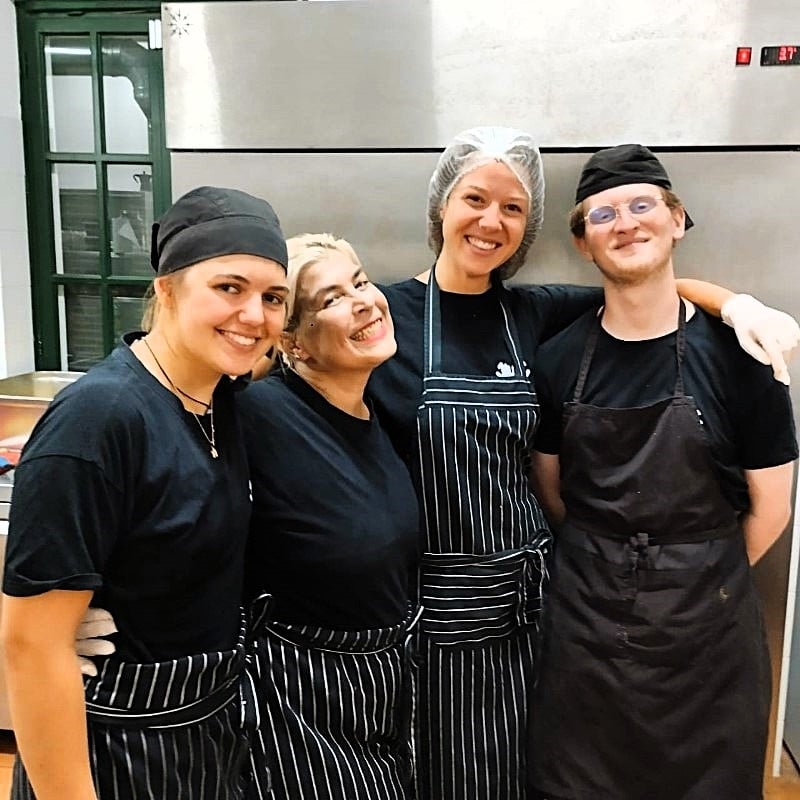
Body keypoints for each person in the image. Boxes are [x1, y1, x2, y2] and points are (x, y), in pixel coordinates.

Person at [366, 126, 800, 799]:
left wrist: (738, 304)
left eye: (513, 208)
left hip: (578, 615)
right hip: (481, 616)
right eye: (474, 198)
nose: (491, 221)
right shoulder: (390, 316)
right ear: (440, 208)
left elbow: (648, 284)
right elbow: (554, 488)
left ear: (678, 218)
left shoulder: (538, 313)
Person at [527, 144, 798, 800]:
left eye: (643, 206)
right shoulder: (560, 358)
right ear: (584, 245)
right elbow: (552, 488)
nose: (626, 223)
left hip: (709, 640)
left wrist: (697, 579)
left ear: (677, 220)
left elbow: (773, 507)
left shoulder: (742, 356)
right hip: (586, 635)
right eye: (604, 215)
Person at [1, 186, 290, 800]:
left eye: (273, 298)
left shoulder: (220, 399)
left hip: (203, 733)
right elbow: (32, 647)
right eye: (229, 287)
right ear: (166, 288)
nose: (254, 315)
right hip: (113, 747)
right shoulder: (99, 419)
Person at [238, 234, 421, 800]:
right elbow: (159, 493)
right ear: (293, 341)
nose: (364, 301)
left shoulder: (375, 414)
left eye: (361, 282)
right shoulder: (257, 416)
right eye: (332, 298)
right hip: (298, 707)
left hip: (383, 693)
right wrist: (97, 602)